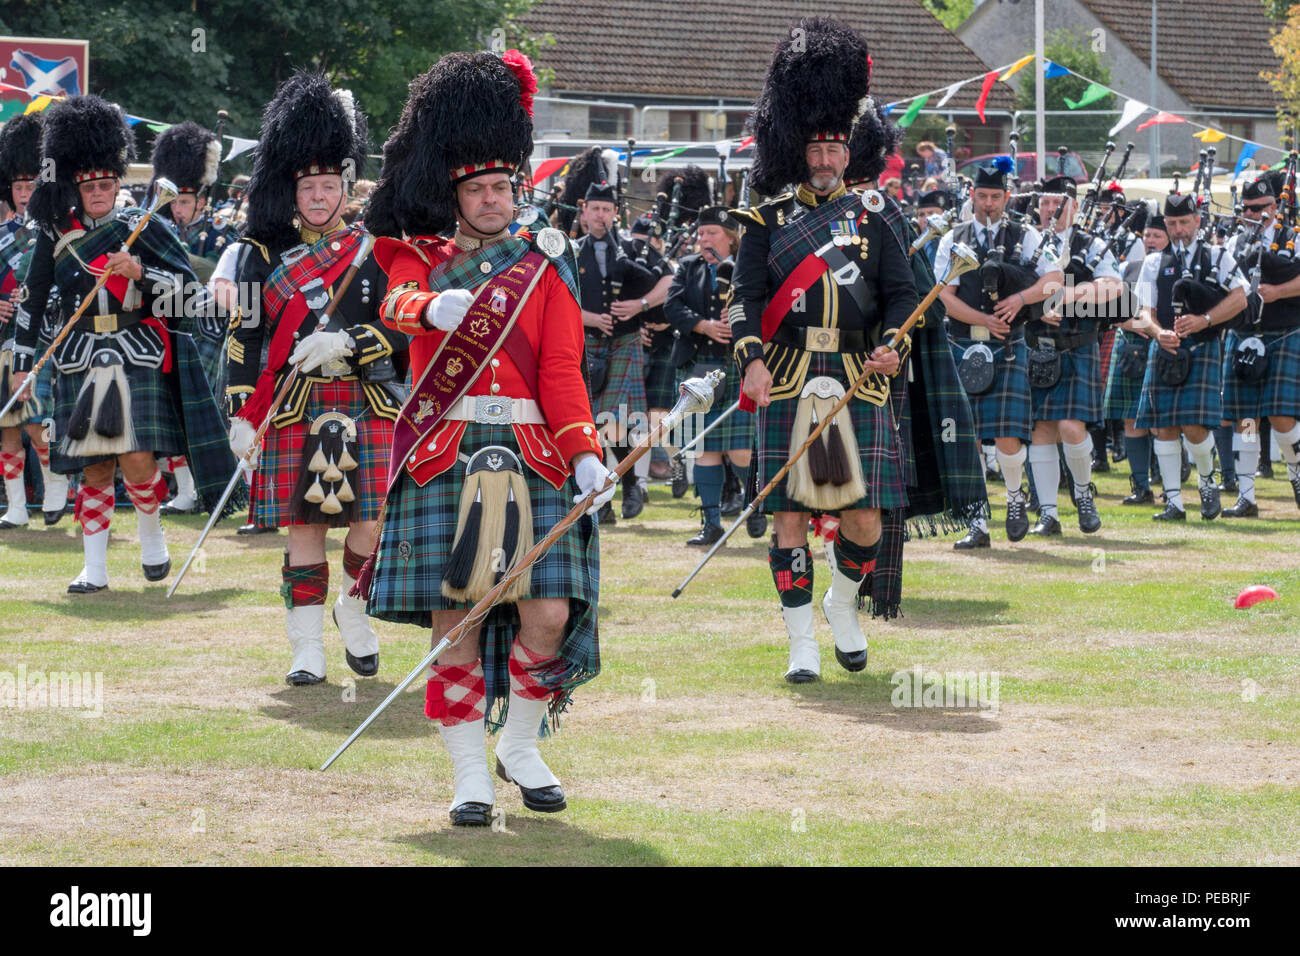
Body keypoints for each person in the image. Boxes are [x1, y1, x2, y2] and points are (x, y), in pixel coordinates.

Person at [361, 48, 613, 825]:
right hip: (447, 452)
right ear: (456, 195)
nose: (498, 201)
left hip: (535, 451)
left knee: (549, 614)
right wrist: (426, 311)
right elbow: (395, 299)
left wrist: (585, 454)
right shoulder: (420, 258)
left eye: (506, 187)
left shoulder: (544, 267)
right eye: (481, 189)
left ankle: (522, 745)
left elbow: (564, 372)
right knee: (457, 620)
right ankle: (469, 774)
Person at [733, 17, 918, 682]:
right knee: (789, 515)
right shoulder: (765, 222)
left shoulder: (874, 223)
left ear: (850, 153)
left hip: (854, 376)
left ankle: (842, 607)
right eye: (814, 148)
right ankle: (799, 644)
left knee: (864, 517)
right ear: (797, 150)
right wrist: (752, 359)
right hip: (785, 373)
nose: (823, 159)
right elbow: (743, 299)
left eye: (835, 149)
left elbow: (902, 297)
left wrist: (893, 343)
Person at [227, 73, 404, 683]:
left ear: (346, 188)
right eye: (310, 187)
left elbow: (400, 328)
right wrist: (240, 412)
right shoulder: (261, 253)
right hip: (293, 403)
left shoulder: (374, 250)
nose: (321, 197)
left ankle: (353, 607)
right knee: (303, 529)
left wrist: (349, 341)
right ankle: (306, 651)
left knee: (371, 522)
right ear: (293, 191)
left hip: (366, 397)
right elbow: (244, 336)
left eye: (330, 185)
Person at [15, 95, 231, 592]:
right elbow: (32, 298)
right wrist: (22, 365)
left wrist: (141, 272)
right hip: (78, 357)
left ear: (117, 183)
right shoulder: (56, 233)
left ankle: (152, 536)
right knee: (94, 468)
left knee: (137, 459)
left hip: (138, 351)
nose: (98, 192)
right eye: (89, 185)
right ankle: (95, 569)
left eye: (106, 184)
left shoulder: (144, 225)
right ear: (77, 186)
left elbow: (191, 297)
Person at [935, 161, 1064, 548]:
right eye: (982, 196)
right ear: (972, 196)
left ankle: (1013, 498)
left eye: (995, 197)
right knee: (968, 436)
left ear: (1006, 198)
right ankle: (977, 522)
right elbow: (943, 296)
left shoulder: (1025, 236)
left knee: (1008, 435)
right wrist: (982, 320)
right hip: (963, 342)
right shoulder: (952, 238)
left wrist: (1019, 299)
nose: (988, 203)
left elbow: (1055, 278)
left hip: (1008, 345)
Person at [1132, 192, 1247, 520]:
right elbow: (1143, 311)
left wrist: (1205, 320)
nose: (1179, 229)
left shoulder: (1218, 256)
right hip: (1165, 349)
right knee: (1163, 426)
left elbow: (1240, 298)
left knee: (1195, 426)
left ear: (1198, 221)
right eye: (1172, 224)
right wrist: (1157, 332)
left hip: (1202, 346)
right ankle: (1173, 502)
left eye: (1184, 222)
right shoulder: (1155, 262)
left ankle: (1208, 484)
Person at [1025, 174, 1123, 536]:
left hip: (1078, 345)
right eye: (1047, 203)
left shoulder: (1092, 244)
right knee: (1040, 430)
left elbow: (1114, 289)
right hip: (1037, 347)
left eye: (1060, 203)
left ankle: (1083, 493)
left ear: (1076, 207)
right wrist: (1036, 308)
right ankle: (1048, 514)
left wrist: (1065, 297)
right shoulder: (1029, 241)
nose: (1052, 209)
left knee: (1070, 426)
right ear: (1038, 206)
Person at [148, 120, 230, 515]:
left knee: (212, 413)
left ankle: (219, 487)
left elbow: (227, 281)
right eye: (174, 200)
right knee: (174, 413)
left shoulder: (221, 234)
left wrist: (191, 268)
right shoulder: (156, 231)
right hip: (169, 331)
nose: (177, 208)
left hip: (211, 333)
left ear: (202, 199)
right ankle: (184, 491)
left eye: (185, 201)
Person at [664, 205, 760, 544]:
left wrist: (738, 322)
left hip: (736, 365)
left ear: (731, 237)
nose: (704, 239)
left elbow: (761, 303)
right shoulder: (688, 268)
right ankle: (711, 524)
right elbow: (672, 306)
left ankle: (755, 506)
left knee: (740, 452)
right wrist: (704, 325)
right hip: (699, 366)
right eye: (701, 234)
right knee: (704, 450)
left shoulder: (747, 266)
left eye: (711, 234)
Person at [572, 182, 658, 522]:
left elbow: (667, 280)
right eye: (594, 208)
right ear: (584, 212)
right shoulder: (570, 250)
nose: (600, 215)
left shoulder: (631, 249)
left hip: (623, 342)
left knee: (614, 425)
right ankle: (606, 498)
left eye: (606, 209)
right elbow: (556, 299)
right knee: (592, 424)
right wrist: (589, 317)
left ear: (615, 214)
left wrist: (640, 305)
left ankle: (630, 485)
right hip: (586, 343)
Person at [0, 111, 67, 528]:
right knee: (7, 427)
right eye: (19, 186)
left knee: (38, 423)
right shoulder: (2, 234)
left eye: (31, 185)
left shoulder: (58, 232)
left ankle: (56, 484)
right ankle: (17, 508)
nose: (25, 193)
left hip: (45, 337)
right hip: (5, 340)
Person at [1221, 174, 1300, 515]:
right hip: (1244, 335)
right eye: (1246, 209)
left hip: (1284, 332)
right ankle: (1247, 495)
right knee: (1246, 418)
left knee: (1282, 416)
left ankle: (1296, 473)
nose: (1250, 214)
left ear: (1274, 207)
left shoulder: (1292, 237)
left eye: (1257, 209)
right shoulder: (1233, 243)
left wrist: (1279, 291)